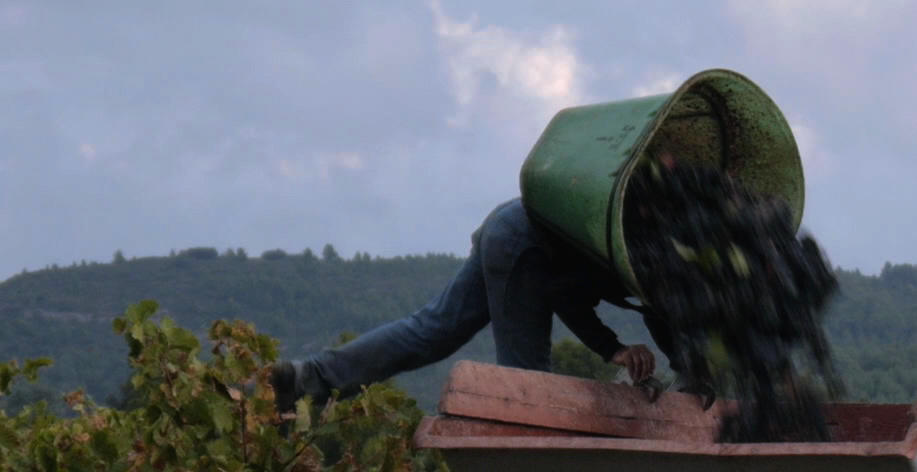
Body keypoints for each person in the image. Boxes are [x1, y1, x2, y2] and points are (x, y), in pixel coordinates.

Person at [271, 198, 673, 413]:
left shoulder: (664, 262)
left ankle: (308, 378)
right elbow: (564, 294)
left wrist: (686, 365)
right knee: (527, 382)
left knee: (434, 331)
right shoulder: (641, 256)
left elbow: (662, 317)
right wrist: (614, 349)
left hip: (511, 220)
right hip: (526, 242)